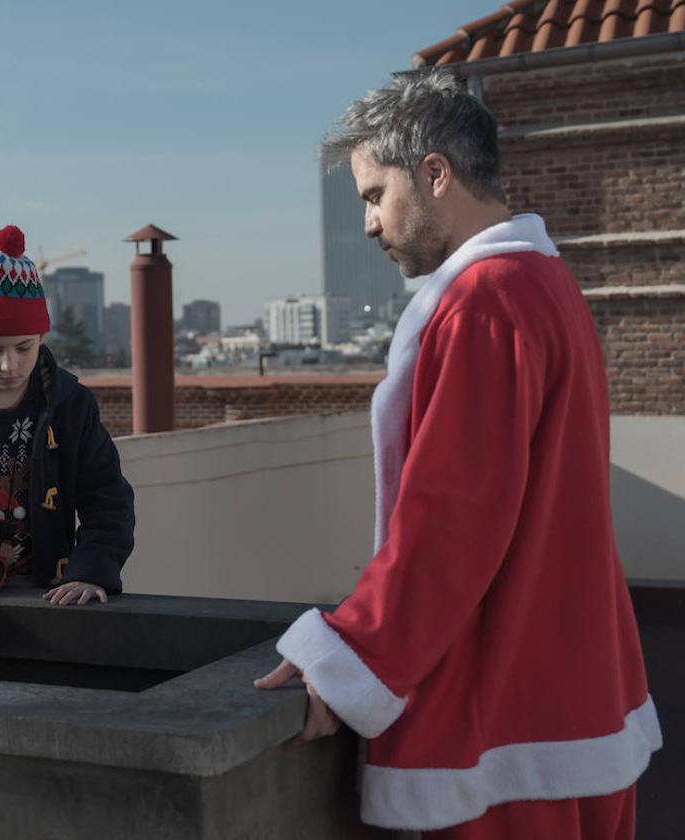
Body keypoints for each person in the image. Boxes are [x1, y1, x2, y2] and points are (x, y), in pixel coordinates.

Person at [255, 72, 661, 838]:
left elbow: (450, 524)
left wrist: (348, 665)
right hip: (578, 691)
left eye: (374, 195)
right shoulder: (547, 284)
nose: (369, 225)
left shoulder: (483, 305)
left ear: (435, 173)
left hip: (507, 720)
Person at [0, 225, 134, 606]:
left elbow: (108, 499)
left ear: (42, 338)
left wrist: (89, 571)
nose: (8, 365)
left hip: (45, 591)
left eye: (23, 347)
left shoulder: (72, 404)